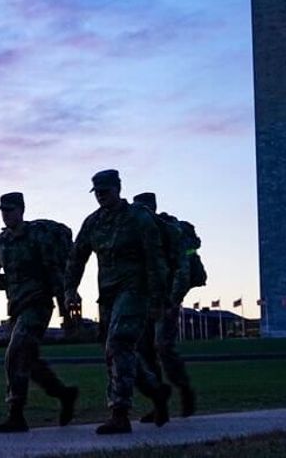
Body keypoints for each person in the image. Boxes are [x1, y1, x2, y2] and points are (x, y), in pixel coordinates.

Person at [65, 169, 171, 434]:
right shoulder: (93, 222)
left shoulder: (138, 217)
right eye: (97, 192)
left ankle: (119, 413)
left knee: (118, 343)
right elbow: (77, 256)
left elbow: (155, 258)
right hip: (108, 295)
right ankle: (156, 392)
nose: (101, 196)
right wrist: (70, 289)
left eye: (106, 191)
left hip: (135, 290)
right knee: (116, 352)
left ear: (118, 188)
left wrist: (159, 298)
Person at [0, 192, 79, 433]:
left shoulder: (38, 237)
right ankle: (64, 394)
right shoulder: (0, 243)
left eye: (10, 209)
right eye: (3, 211)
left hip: (38, 304)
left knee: (15, 352)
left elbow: (54, 272)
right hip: (16, 308)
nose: (6, 214)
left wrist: (65, 310)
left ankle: (16, 414)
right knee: (27, 360)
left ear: (21, 210)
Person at [131, 192, 197, 418]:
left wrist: (173, 299)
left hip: (166, 298)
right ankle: (159, 403)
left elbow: (183, 268)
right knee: (143, 350)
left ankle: (184, 390)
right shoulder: (137, 235)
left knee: (162, 346)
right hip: (144, 300)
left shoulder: (169, 231)